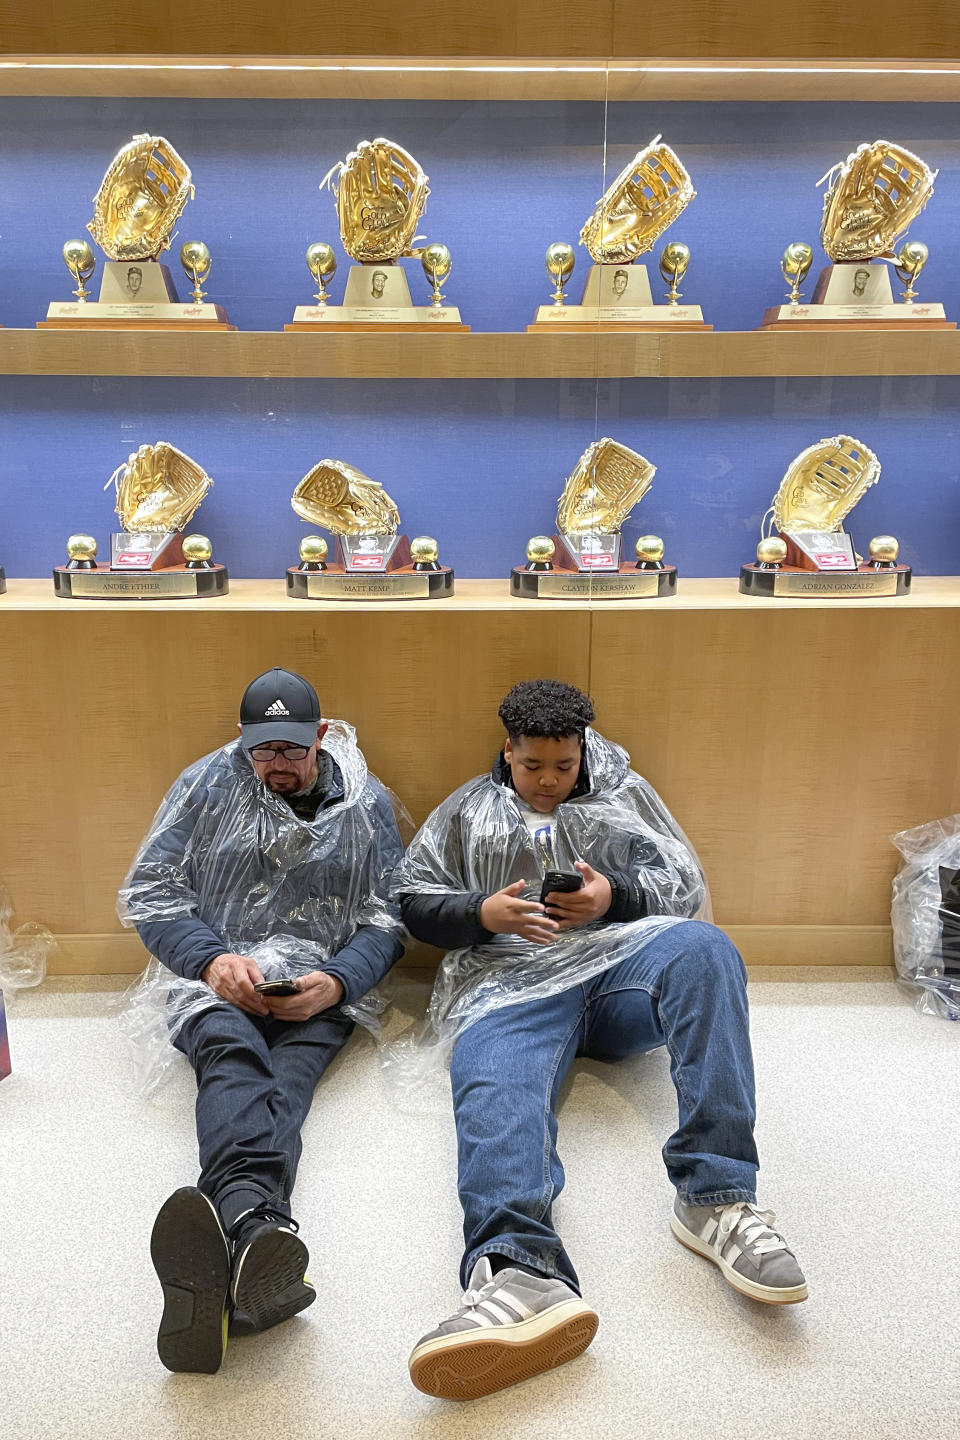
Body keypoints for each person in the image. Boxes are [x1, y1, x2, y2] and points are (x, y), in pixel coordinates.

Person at [392, 679, 806, 1401]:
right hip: (510, 982)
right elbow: (412, 902)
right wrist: (483, 913)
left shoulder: (625, 791)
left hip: (619, 971)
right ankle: (521, 1270)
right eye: (532, 768)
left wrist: (613, 897)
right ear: (507, 752)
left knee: (705, 949)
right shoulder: (466, 808)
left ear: (582, 750)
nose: (549, 782)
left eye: (563, 765)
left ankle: (716, 1197)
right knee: (494, 1084)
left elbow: (681, 883)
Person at [119, 668, 404, 1374]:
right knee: (232, 1057)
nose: (277, 764)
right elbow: (152, 891)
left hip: (315, 991)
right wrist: (212, 961)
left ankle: (239, 1231)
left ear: (323, 737)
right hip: (219, 981)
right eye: (262, 750)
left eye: (292, 749)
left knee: (287, 1084)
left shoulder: (366, 804)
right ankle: (258, 1229)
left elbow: (389, 916)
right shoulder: (206, 784)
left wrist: (336, 983)